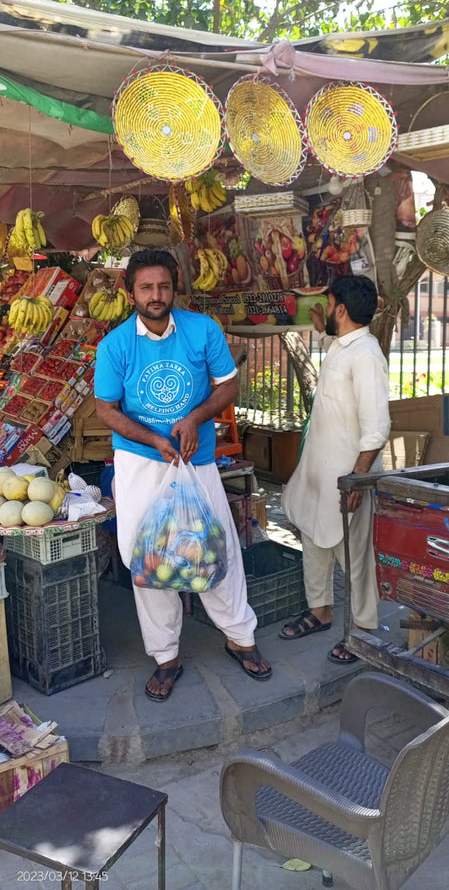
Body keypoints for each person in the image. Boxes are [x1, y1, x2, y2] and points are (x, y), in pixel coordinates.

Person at [94, 248, 271, 700]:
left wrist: (195, 417)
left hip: (197, 462)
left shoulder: (202, 330)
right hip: (140, 464)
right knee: (147, 558)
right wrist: (153, 440)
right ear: (130, 291)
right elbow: (105, 410)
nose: (156, 295)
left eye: (164, 286)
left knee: (214, 547)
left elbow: (228, 384)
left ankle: (240, 637)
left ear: (175, 287)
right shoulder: (115, 345)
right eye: (146, 287)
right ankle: (166, 656)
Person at [280, 274, 390, 663]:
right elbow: (337, 352)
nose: (324, 310)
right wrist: (321, 330)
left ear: (341, 310)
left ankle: (363, 629)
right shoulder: (345, 345)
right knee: (313, 537)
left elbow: (377, 429)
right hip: (318, 475)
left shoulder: (367, 356)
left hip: (347, 480)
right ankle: (321, 610)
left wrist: (357, 481)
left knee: (353, 556)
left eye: (327, 305)